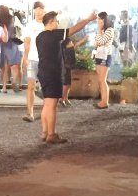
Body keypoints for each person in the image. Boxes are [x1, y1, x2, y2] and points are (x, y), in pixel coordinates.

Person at [36, 11, 97, 143]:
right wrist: (88, 19)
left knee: (47, 103)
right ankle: (51, 134)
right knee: (52, 105)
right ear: (51, 22)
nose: (58, 24)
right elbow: (74, 29)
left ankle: (45, 132)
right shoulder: (53, 35)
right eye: (57, 21)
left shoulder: (39, 37)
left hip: (43, 72)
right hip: (53, 74)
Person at [21, 1, 45, 122]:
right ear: (34, 11)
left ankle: (46, 112)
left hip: (46, 60)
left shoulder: (48, 25)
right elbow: (27, 42)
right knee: (30, 86)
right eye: (36, 9)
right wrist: (24, 58)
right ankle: (30, 113)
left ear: (44, 10)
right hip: (32, 59)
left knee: (46, 86)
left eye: (40, 9)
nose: (38, 11)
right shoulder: (30, 25)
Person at [0, 5, 22, 93]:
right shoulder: (12, 18)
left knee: (3, 68)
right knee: (14, 66)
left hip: (1, 44)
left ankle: (4, 88)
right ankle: (15, 82)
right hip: (12, 43)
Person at [93, 11, 115, 109]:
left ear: (103, 19)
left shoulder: (109, 30)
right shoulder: (101, 30)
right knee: (100, 80)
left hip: (105, 56)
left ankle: (104, 102)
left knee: (102, 80)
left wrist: (99, 30)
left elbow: (101, 41)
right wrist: (99, 32)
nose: (97, 21)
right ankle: (103, 101)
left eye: (98, 18)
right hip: (99, 55)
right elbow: (96, 42)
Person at [60, 36, 87, 107]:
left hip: (68, 68)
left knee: (68, 84)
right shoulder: (65, 50)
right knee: (66, 84)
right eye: (70, 42)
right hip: (65, 69)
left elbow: (77, 55)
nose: (72, 43)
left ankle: (66, 98)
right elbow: (77, 44)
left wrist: (85, 57)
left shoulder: (70, 50)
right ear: (67, 44)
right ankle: (62, 99)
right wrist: (84, 39)